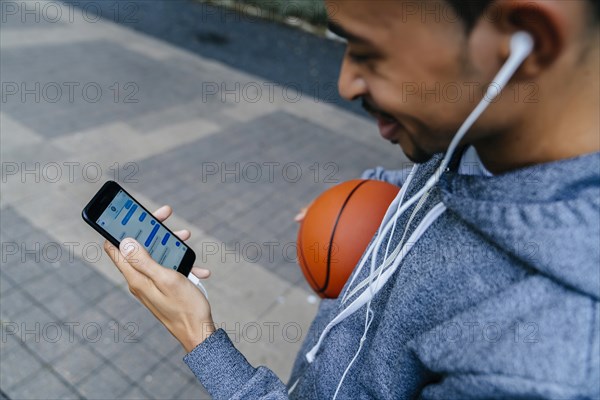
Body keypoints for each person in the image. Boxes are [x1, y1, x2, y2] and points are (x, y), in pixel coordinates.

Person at [104, 0, 600, 398]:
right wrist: (354, 201)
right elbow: (434, 190)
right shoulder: (483, 133)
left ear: (526, 39)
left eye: (366, 51)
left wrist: (200, 336)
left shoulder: (545, 368)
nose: (343, 84)